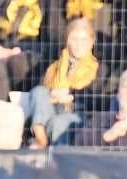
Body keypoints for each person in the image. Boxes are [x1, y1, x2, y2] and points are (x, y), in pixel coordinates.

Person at [25, 18, 108, 148]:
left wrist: (70, 94)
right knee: (39, 91)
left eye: (84, 40)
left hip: (76, 111)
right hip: (51, 107)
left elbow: (96, 99)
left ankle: (54, 154)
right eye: (74, 39)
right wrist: (54, 93)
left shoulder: (99, 68)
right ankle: (40, 137)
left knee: (58, 122)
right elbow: (42, 86)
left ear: (91, 42)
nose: (78, 44)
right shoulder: (57, 62)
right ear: (67, 40)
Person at [73, 69, 127, 146]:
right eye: (125, 87)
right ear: (118, 93)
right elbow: (77, 144)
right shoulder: (99, 119)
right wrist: (106, 136)